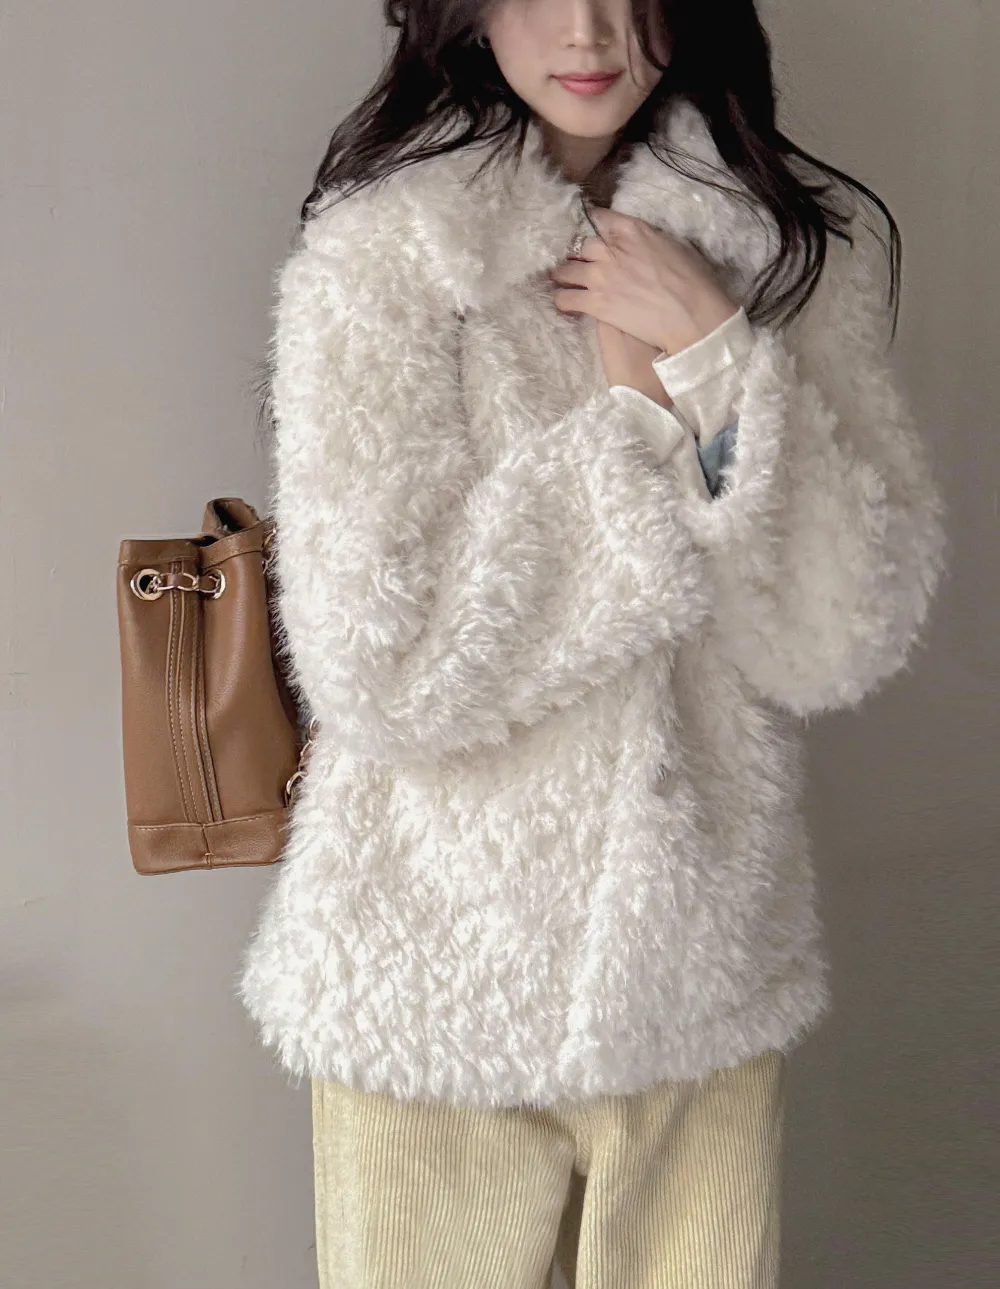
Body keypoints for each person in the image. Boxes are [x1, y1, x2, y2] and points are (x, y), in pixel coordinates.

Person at [238, 2, 948, 1285]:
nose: (592, 29)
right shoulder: (386, 256)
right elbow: (381, 667)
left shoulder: (787, 250)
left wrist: (718, 352)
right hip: (429, 972)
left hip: (697, 969)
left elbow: (840, 638)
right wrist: (634, 423)